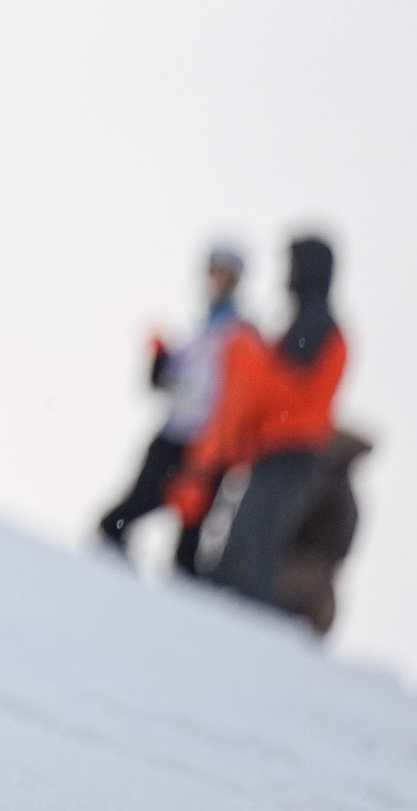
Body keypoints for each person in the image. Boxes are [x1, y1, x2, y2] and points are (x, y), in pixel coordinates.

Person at [168, 233, 357, 630]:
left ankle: (252, 630)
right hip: (278, 447)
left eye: (292, 265)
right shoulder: (310, 321)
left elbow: (286, 385)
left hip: (291, 448)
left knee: (252, 541)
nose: (286, 275)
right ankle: (236, 619)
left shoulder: (317, 322)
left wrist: (246, 358)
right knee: (247, 538)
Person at [96, 240, 248, 569]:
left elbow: (232, 400)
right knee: (132, 508)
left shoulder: (241, 337)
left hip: (204, 446)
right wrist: (160, 360)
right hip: (173, 433)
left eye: (225, 274)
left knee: (188, 532)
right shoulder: (200, 331)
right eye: (214, 271)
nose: (217, 280)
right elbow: (167, 384)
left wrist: (211, 456)